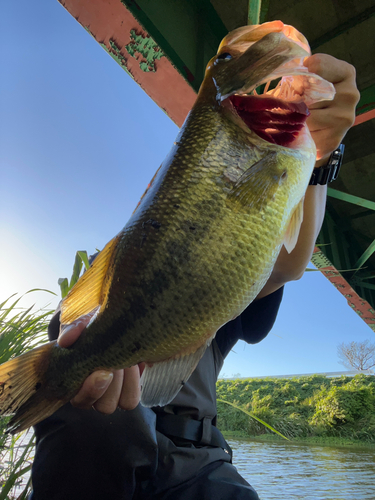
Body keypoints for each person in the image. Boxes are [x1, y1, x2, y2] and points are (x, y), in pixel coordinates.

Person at [29, 54, 359, 500]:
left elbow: (289, 262)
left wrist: (320, 154)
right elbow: (66, 334)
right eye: (166, 190)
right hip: (91, 461)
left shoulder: (231, 262)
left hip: (197, 466)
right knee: (80, 399)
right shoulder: (101, 286)